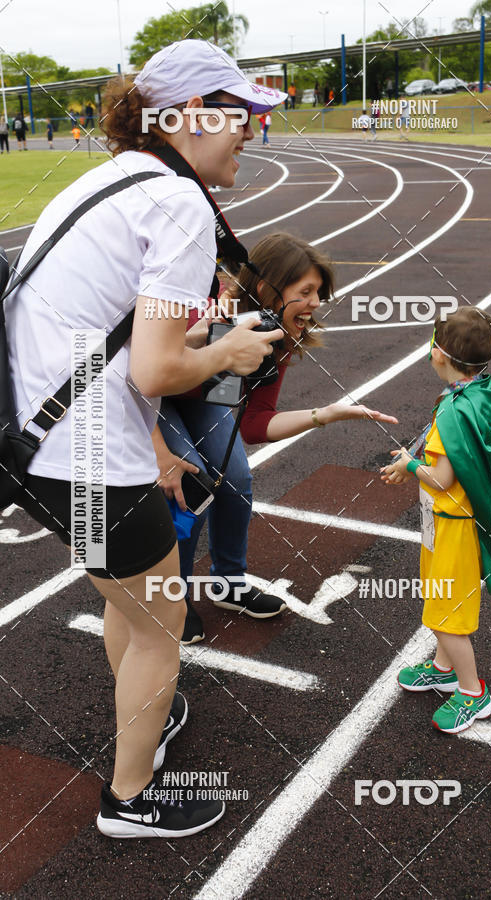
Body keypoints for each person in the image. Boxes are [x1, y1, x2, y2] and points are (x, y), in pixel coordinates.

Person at [5, 38, 286, 838]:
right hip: (87, 453)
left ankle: (145, 725)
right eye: (241, 117)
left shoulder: (112, 179)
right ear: (192, 116)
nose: (250, 134)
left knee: (128, 605)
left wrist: (199, 343)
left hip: (46, 447)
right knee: (162, 621)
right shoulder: (179, 203)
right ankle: (131, 800)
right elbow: (159, 372)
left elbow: (114, 331)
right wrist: (228, 352)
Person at [155, 232, 398, 644]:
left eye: (319, 292)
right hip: (147, 395)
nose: (316, 303)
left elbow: (255, 423)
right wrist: (160, 453)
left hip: (197, 395)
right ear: (267, 289)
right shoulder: (198, 302)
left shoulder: (276, 330)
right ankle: (169, 600)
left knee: (235, 481)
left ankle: (228, 584)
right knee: (191, 485)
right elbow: (124, 377)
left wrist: (325, 415)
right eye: (306, 291)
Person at [380, 307, 491, 734]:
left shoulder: (451, 411)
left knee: (444, 614)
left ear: (439, 355)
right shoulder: (481, 392)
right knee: (442, 601)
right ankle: (444, 668)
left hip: (452, 523)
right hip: (450, 520)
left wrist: (410, 466)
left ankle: (472, 693)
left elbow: (442, 479)